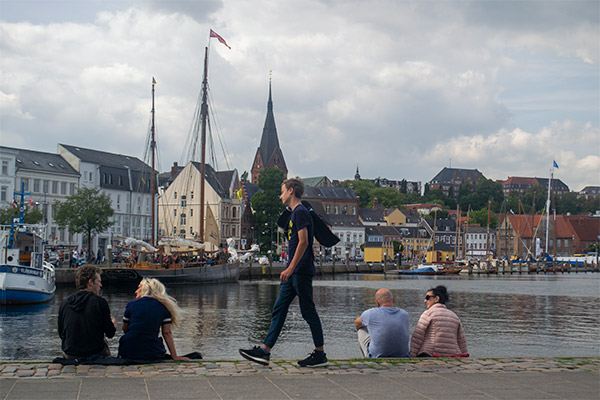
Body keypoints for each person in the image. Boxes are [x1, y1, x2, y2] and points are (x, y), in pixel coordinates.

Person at [239, 178, 327, 367]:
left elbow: (303, 242)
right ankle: (264, 351)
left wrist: (290, 268)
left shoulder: (300, 212)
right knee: (279, 309)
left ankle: (320, 354)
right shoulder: (294, 213)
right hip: (293, 271)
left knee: (308, 311)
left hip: (300, 271)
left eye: (282, 191)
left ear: (291, 191)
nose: (280, 195)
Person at [118, 278, 190, 361]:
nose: (136, 291)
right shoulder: (164, 307)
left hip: (128, 350)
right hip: (152, 351)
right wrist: (175, 356)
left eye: (138, 288)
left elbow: (124, 328)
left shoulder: (131, 304)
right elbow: (167, 333)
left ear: (144, 289)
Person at [58, 265, 117, 359]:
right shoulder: (100, 302)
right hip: (94, 353)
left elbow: (61, 333)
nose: (101, 285)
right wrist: (113, 324)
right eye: (99, 282)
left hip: (70, 353)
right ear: (90, 282)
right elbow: (110, 333)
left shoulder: (65, 303)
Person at [410, 285, 468, 357]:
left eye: (427, 298)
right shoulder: (454, 316)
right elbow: (462, 341)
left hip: (430, 353)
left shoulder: (428, 314)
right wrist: (464, 356)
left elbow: (418, 337)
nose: (425, 301)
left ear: (436, 299)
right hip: (452, 355)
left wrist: (412, 356)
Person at [354, 288, 410, 358]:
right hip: (403, 355)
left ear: (377, 302)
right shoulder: (405, 314)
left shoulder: (370, 313)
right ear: (393, 300)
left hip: (377, 356)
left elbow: (357, 323)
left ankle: (367, 357)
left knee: (361, 330)